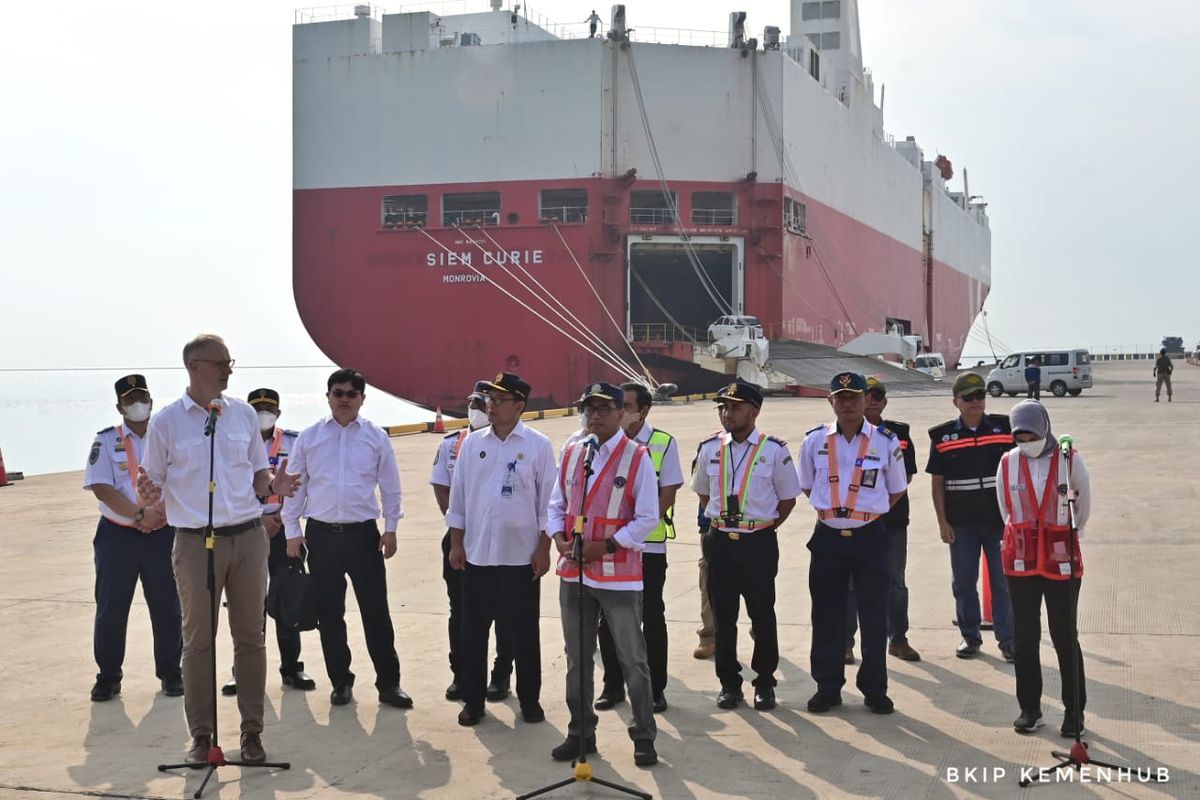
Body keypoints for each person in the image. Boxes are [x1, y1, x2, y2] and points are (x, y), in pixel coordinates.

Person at [138, 334, 301, 765]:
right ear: (194, 366)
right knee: (198, 642)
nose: (229, 370)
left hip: (248, 537)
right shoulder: (167, 422)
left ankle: (252, 735)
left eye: (231, 362)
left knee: (251, 637)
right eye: (222, 363)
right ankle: (201, 737)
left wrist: (275, 488)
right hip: (194, 542)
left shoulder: (244, 414)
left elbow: (259, 476)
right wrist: (148, 493)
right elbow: (152, 487)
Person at [282, 368, 412, 710]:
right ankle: (341, 681)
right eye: (337, 393)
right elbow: (294, 488)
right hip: (322, 535)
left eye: (351, 394)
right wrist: (292, 532)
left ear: (362, 399)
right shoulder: (309, 437)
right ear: (328, 396)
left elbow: (391, 485)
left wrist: (392, 528)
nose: (344, 399)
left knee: (376, 613)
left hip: (363, 535)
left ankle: (389, 683)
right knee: (329, 614)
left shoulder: (375, 437)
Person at [547, 382, 660, 767]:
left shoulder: (636, 457)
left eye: (602, 408)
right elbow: (556, 502)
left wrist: (609, 545)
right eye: (588, 408)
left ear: (620, 412)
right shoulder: (574, 452)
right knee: (577, 658)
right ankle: (581, 732)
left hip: (618, 575)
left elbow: (648, 518)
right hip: (575, 571)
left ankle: (643, 735)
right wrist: (558, 536)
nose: (594, 415)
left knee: (632, 658)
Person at [447, 372, 556, 726]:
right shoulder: (473, 444)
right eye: (490, 399)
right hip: (477, 557)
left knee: (524, 633)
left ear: (519, 405)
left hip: (520, 559)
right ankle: (474, 701)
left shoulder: (538, 446)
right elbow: (458, 497)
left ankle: (530, 700)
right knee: (472, 635)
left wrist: (544, 549)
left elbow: (548, 506)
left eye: (500, 400)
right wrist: (457, 543)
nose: (490, 405)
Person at [800, 372, 908, 715]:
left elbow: (896, 489)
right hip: (828, 537)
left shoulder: (886, 441)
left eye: (854, 397)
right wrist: (835, 513)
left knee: (874, 615)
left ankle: (875, 688)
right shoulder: (814, 441)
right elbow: (806, 485)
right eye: (840, 398)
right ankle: (827, 687)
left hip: (870, 538)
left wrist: (865, 515)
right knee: (826, 615)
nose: (847, 404)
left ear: (866, 401)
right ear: (830, 401)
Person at [692, 379, 800, 712]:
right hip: (721, 540)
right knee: (724, 617)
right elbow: (703, 494)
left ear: (754, 410)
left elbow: (787, 499)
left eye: (735, 407)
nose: (727, 413)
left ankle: (764, 682)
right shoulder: (710, 448)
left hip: (758, 543)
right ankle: (729, 683)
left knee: (762, 614)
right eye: (723, 407)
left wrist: (761, 527)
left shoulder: (773, 450)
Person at [84, 374, 182, 702]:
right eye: (130, 400)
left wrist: (161, 514)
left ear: (151, 400)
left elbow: (183, 479)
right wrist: (139, 515)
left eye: (142, 397)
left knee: (167, 606)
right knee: (112, 607)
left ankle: (171, 673)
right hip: (118, 536)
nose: (137, 404)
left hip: (163, 532)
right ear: (119, 406)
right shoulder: (105, 440)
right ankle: (108, 676)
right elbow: (101, 486)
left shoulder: (168, 437)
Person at [998, 401, 1091, 736]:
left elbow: (1083, 506)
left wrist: (1064, 537)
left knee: (1064, 635)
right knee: (1025, 636)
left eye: (1031, 435)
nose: (1026, 441)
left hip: (1059, 560)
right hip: (1021, 562)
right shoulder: (1007, 461)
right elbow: (1005, 508)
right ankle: (1030, 708)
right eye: (1020, 436)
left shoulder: (1069, 460)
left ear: (1045, 429)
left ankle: (1074, 712)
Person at [593, 382, 684, 714]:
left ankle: (654, 689)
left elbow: (668, 493)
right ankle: (613, 685)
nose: (623, 411)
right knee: (607, 618)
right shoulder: (601, 444)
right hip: (609, 547)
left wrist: (635, 530)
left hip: (648, 546)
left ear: (645, 410)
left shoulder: (661, 443)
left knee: (650, 616)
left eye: (628, 406)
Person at [222, 388, 315, 696]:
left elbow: (304, 483)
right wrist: (258, 518)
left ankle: (292, 668)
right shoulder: (235, 443)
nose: (263, 412)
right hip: (248, 528)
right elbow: (228, 485)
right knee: (247, 604)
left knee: (287, 598)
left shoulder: (294, 441)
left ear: (278, 412)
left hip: (284, 528)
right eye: (257, 407)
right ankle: (243, 671)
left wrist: (285, 520)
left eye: (268, 408)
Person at [430, 382, 514, 703]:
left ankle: (502, 674)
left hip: (500, 541)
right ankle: (461, 674)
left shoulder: (509, 442)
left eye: (482, 403)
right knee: (461, 611)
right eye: (472, 403)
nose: (477, 409)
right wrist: (457, 527)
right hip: (459, 540)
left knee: (504, 611)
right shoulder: (452, 444)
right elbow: (441, 486)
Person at [926, 372, 1016, 662]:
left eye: (980, 395)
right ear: (956, 402)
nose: (976, 401)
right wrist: (942, 522)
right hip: (961, 524)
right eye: (969, 397)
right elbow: (937, 481)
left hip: (998, 522)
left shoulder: (1005, 428)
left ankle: (1008, 640)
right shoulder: (942, 436)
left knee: (1003, 584)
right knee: (964, 583)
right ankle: (970, 637)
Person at [844, 377, 921, 664]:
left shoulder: (898, 434)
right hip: (853, 523)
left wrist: (878, 506)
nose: (873, 399)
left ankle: (898, 639)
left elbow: (905, 477)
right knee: (850, 584)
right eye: (868, 395)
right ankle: (846, 643)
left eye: (879, 395)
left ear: (885, 402)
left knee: (895, 583)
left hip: (891, 522)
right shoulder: (841, 434)